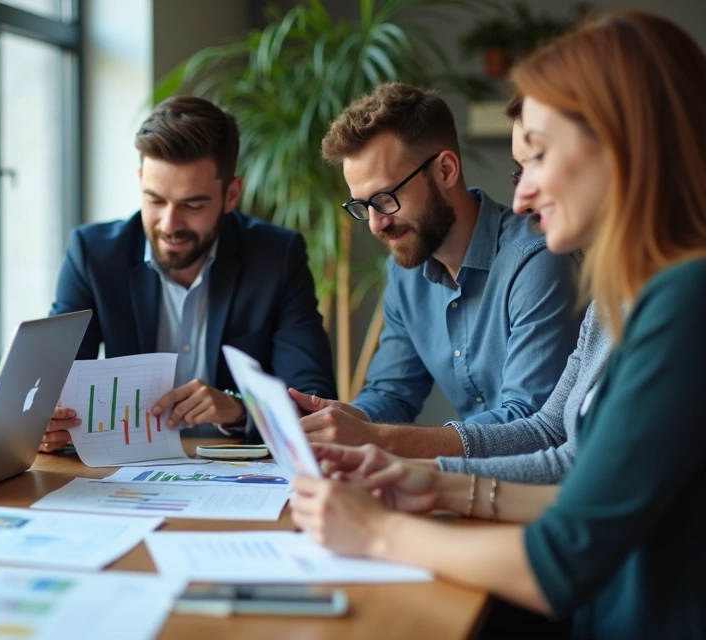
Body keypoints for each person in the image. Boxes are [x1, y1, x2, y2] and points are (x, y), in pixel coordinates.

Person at [291, 12, 706, 637]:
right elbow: (564, 453)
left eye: (537, 156)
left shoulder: (685, 299)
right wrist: (428, 482)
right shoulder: (621, 293)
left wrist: (378, 530)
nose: (524, 194)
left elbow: (564, 554)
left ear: (622, 143)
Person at [297, 96, 612, 484]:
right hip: (482, 488)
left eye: (385, 199)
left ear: (446, 170)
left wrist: (380, 442)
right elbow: (393, 393)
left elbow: (533, 429)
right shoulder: (406, 266)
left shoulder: (538, 258)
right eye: (362, 206)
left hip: (523, 492)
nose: (375, 224)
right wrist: (342, 423)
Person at [42, 96, 334, 451]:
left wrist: (239, 409)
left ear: (231, 194)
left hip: (239, 471)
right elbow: (54, 382)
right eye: (155, 200)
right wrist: (46, 425)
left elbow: (314, 402)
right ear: (140, 181)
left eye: (192, 205)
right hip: (124, 469)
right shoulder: (93, 254)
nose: (169, 224)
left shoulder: (277, 256)